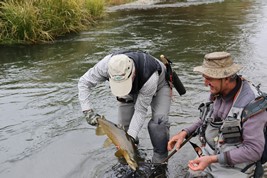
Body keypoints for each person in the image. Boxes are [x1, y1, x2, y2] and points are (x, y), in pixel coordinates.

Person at [167, 51, 267, 178]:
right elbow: (206, 119)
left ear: (226, 78)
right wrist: (184, 132)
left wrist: (212, 159)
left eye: (209, 78)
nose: (205, 83)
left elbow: (254, 151)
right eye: (204, 77)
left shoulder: (251, 104)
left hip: (237, 167)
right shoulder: (218, 91)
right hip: (210, 155)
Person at [78, 50, 172, 173]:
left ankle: (160, 166)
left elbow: (140, 110)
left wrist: (130, 139)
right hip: (130, 91)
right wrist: (87, 111)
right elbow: (84, 82)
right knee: (123, 133)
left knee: (158, 125)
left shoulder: (149, 75)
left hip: (158, 85)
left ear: (132, 73)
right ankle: (130, 165)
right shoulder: (105, 66)